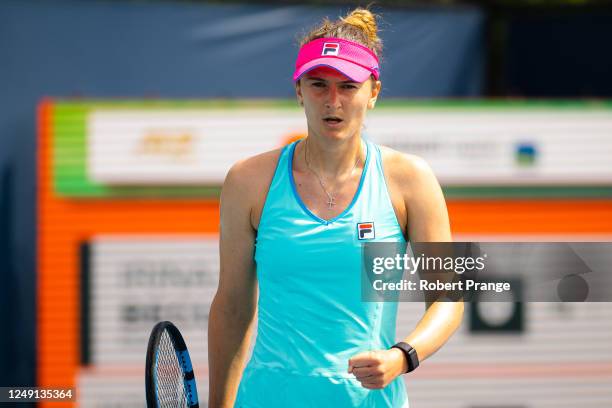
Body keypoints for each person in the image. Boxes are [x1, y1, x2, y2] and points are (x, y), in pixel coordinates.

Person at [208, 7, 463, 408]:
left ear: (373, 92)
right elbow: (233, 306)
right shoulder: (247, 180)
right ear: (298, 91)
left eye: (348, 86)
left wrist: (401, 356)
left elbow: (448, 301)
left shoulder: (411, 178)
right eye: (318, 84)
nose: (333, 101)